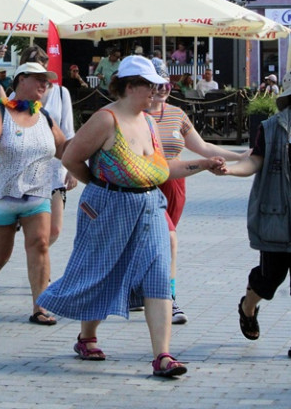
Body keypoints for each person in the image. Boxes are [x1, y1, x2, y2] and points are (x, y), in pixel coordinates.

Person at [37, 55, 225, 377]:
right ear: (129, 86)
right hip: (109, 207)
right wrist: (101, 183)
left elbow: (163, 171)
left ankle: (163, 356)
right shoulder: (106, 119)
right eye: (150, 86)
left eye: (158, 86)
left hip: (149, 207)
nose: (156, 92)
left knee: (158, 277)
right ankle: (87, 337)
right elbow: (71, 157)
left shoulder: (149, 122)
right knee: (101, 270)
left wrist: (204, 164)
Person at [0, 62, 66, 322]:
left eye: (47, 80)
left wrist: (78, 167)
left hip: (37, 193)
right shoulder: (0, 111)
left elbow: (64, 146)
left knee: (40, 245)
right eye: (39, 79)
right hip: (2, 194)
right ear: (21, 79)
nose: (45, 84)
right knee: (0, 256)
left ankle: (40, 307)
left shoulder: (44, 116)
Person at [149, 68, 249, 324]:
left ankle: (144, 291)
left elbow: (202, 146)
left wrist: (239, 156)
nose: (162, 89)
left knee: (161, 241)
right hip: (147, 185)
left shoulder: (176, 114)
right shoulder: (135, 115)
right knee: (167, 240)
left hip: (176, 184)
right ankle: (168, 298)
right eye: (156, 84)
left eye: (167, 85)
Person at [215, 70, 291, 358]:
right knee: (270, 278)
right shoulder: (272, 128)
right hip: (278, 214)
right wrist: (231, 170)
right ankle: (248, 307)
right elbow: (255, 161)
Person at [18, 44, 77, 245]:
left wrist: (73, 169)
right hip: (27, 171)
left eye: (42, 66)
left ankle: (37, 258)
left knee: (55, 229)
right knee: (36, 231)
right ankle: (39, 266)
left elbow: (68, 132)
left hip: (55, 168)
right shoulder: (15, 96)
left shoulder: (61, 93)